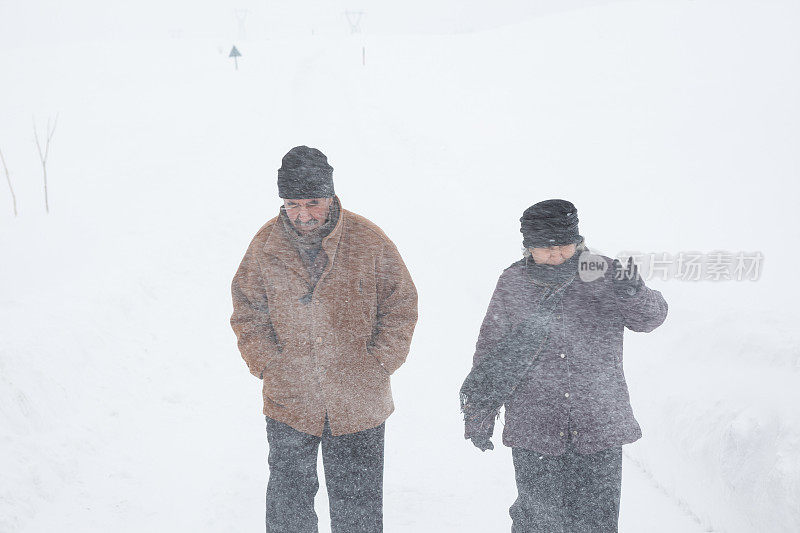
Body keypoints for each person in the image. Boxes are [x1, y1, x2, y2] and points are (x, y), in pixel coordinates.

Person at [230, 145, 418, 533]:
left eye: (312, 202)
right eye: (292, 203)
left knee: (358, 509)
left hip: (359, 398)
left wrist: (378, 362)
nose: (302, 214)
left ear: (330, 197)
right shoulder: (265, 245)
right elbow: (247, 310)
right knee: (288, 505)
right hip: (290, 399)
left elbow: (400, 304)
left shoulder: (368, 239)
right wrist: (268, 363)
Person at [460, 199, 668, 533]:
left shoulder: (605, 272)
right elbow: (492, 349)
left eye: (564, 246)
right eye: (546, 248)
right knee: (537, 521)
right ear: (528, 247)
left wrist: (634, 292)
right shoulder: (513, 281)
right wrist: (479, 409)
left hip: (597, 421)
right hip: (535, 424)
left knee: (596, 523)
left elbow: (650, 319)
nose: (556, 255)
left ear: (578, 240)